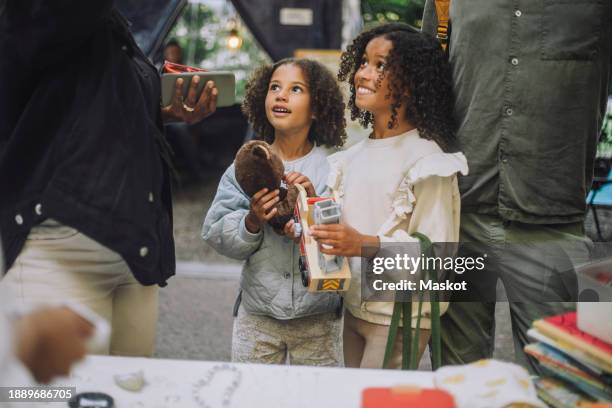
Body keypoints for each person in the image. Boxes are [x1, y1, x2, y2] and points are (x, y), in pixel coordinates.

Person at [0, 2, 217, 357]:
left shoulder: (118, 37)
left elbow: (94, 110)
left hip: (135, 259)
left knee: (129, 394)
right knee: (48, 395)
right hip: (59, 249)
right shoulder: (38, 13)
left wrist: (165, 109)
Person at [421, 1, 611, 371]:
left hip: (550, 220)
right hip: (458, 213)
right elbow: (421, 81)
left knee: (562, 376)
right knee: (459, 378)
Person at [309, 23, 468, 369]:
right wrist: (311, 205)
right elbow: (343, 232)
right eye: (364, 62)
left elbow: (438, 259)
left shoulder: (428, 160)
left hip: (400, 316)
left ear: (410, 83)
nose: (364, 73)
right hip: (352, 309)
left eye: (380, 66)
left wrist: (364, 243)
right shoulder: (351, 156)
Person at [202, 58, 347, 366]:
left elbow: (345, 242)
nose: (281, 95)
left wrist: (313, 205)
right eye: (275, 87)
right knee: (248, 394)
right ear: (261, 98)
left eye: (296, 89)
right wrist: (251, 221)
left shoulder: (336, 167)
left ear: (318, 106)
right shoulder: (246, 167)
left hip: (319, 317)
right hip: (257, 316)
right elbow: (215, 232)